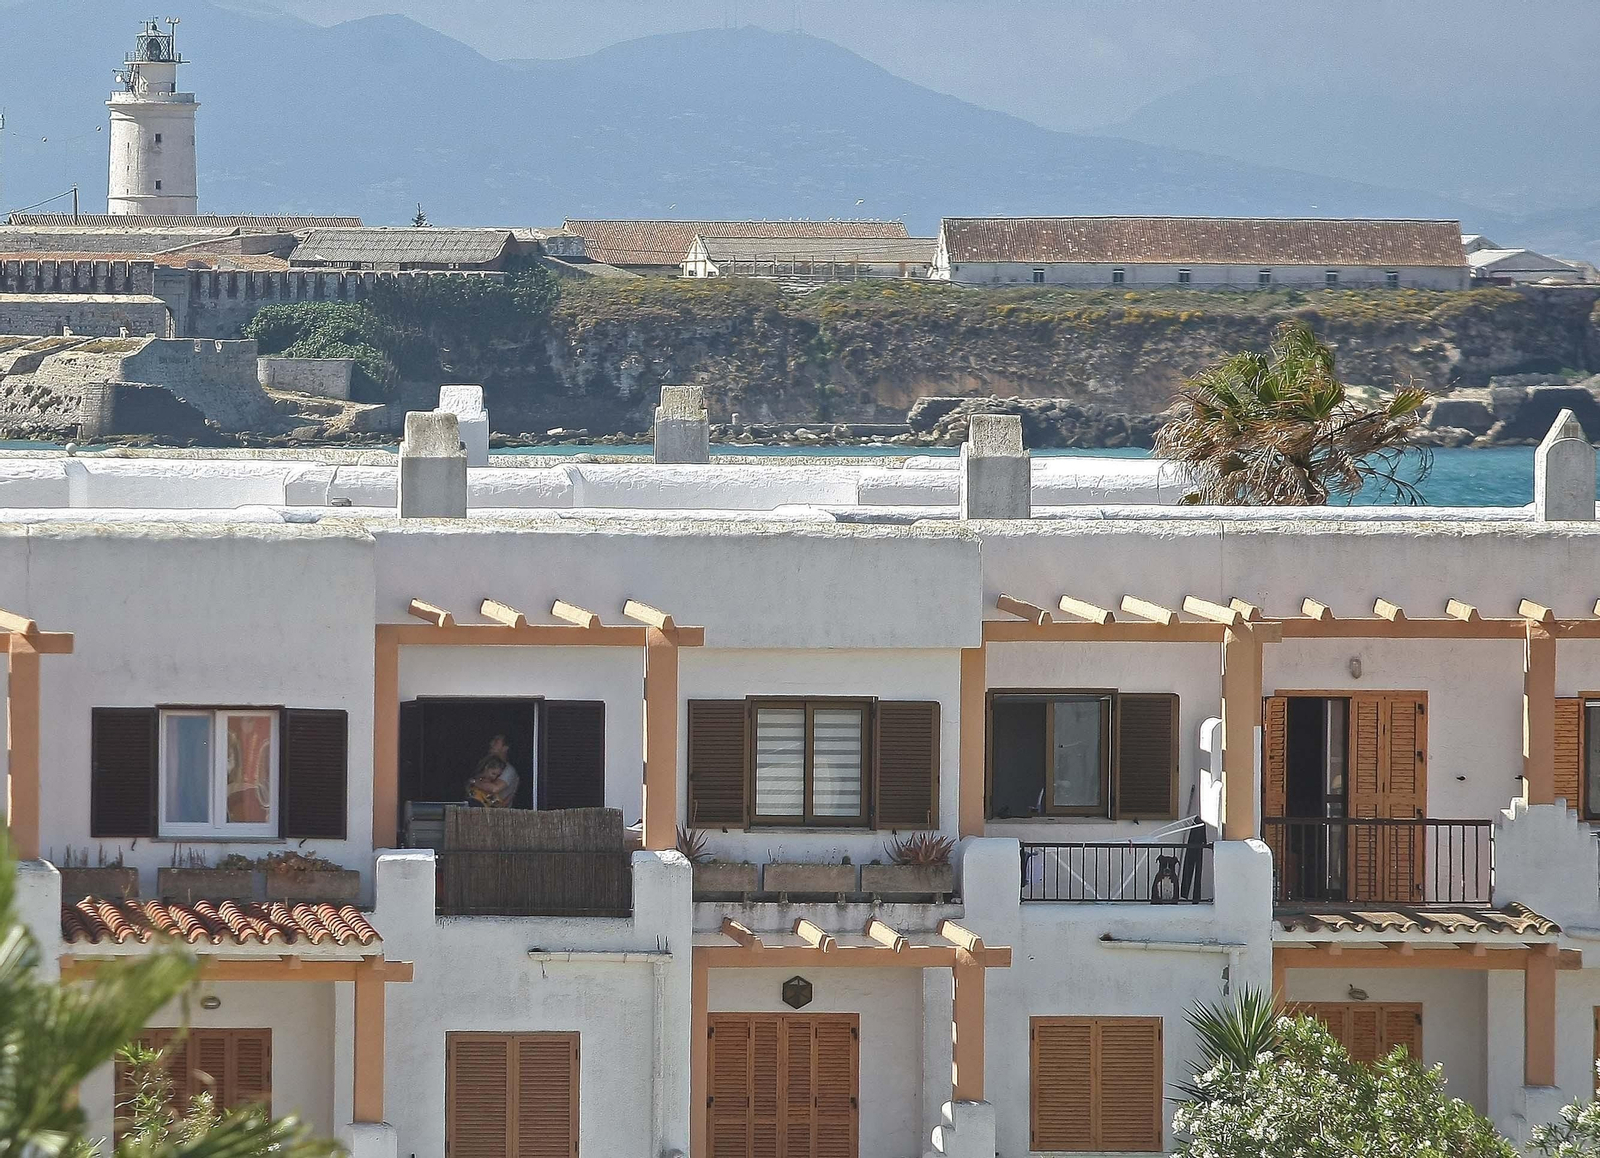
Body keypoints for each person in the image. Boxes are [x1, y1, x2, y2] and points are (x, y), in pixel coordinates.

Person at [465, 734, 520, 808]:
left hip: (495, 814)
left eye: (496, 741)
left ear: (505, 748)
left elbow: (494, 789)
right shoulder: (485, 763)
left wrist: (473, 782)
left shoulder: (509, 770)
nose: (491, 743)